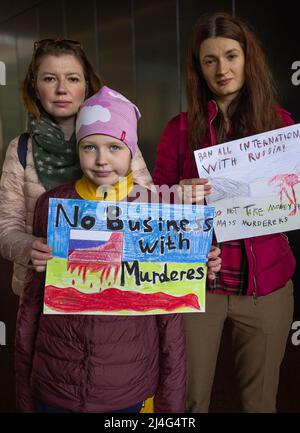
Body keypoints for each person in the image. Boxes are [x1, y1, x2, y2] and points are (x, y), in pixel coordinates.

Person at [152, 12, 296, 413]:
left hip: (265, 287)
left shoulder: (280, 125)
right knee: (187, 401)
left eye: (231, 56)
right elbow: (151, 204)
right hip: (199, 286)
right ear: (198, 68)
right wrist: (175, 194)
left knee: (260, 402)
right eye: (209, 60)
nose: (222, 69)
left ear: (248, 60)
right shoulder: (179, 129)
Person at [14, 85, 188, 413]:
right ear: (77, 149)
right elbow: (31, 304)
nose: (102, 159)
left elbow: (171, 318)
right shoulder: (52, 204)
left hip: (127, 383)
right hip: (56, 377)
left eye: (114, 147)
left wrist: (171, 406)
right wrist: (24, 388)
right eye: (89, 147)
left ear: (131, 151)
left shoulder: (154, 206)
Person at [0, 38, 153, 297]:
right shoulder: (21, 148)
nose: (62, 89)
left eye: (72, 78)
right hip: (41, 289)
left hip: (111, 283)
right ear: (35, 88)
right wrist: (31, 247)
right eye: (49, 79)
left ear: (86, 85)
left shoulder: (121, 142)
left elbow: (151, 210)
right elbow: (6, 228)